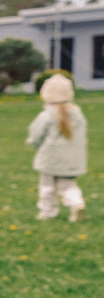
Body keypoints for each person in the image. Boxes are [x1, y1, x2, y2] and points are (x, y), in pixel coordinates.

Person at [29, 73, 86, 221]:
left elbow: (36, 134)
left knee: (47, 186)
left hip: (50, 159)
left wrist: (33, 143)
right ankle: (77, 204)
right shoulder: (77, 114)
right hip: (72, 159)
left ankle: (47, 212)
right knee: (68, 185)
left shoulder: (47, 115)